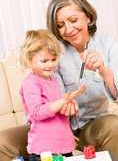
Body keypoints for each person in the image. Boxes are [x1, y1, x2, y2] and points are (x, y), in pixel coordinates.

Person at [46, 0, 118, 161]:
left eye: (73, 20)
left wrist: (104, 71)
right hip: (57, 127)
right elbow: (50, 100)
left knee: (113, 124)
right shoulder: (54, 51)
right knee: (4, 141)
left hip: (93, 126)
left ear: (88, 17)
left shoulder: (108, 45)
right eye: (60, 25)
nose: (68, 30)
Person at [19, 29, 86, 161]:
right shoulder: (31, 82)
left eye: (53, 59)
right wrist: (62, 101)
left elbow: (57, 116)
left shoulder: (53, 79)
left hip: (63, 147)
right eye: (44, 61)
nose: (50, 65)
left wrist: (66, 134)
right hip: (43, 150)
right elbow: (37, 112)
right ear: (29, 60)